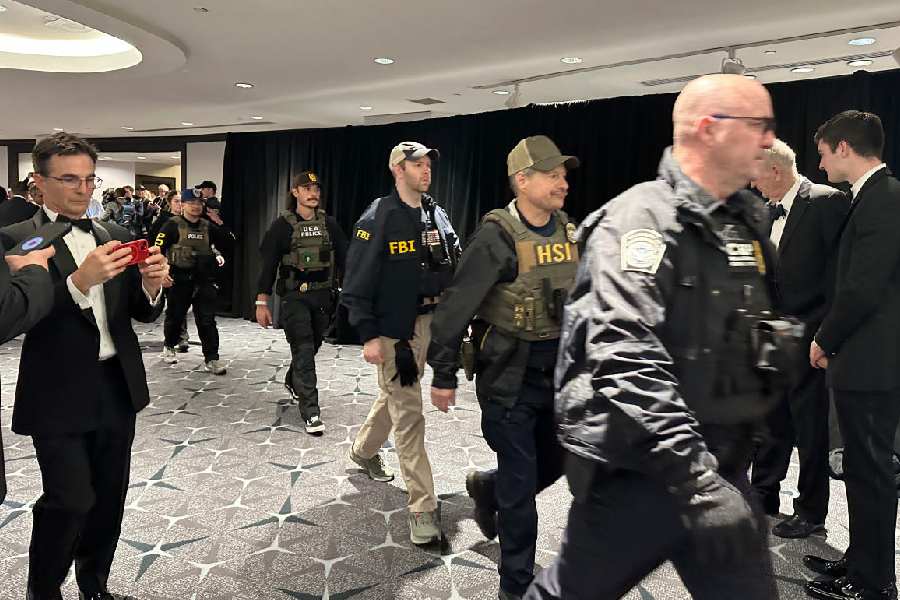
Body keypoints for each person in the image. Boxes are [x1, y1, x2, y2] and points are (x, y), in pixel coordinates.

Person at [525, 74, 783, 600]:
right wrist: (696, 480)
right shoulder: (640, 220)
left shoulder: (741, 222)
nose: (769, 141)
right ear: (709, 130)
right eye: (760, 125)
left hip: (721, 462)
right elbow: (624, 352)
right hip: (643, 469)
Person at [0, 132, 168, 600]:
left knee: (108, 499)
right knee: (70, 500)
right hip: (56, 391)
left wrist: (153, 286)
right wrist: (77, 282)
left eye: (90, 179)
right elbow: (13, 316)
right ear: (39, 181)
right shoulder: (18, 239)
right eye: (69, 179)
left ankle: (94, 586)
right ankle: (44, 591)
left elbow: (138, 309)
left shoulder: (112, 235)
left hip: (116, 385)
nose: (83, 189)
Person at [427, 135, 578, 599]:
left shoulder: (566, 229)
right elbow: (455, 307)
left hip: (557, 375)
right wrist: (445, 373)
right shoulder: (496, 235)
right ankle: (515, 586)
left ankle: (487, 490)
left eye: (564, 175)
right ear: (522, 180)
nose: (563, 184)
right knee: (520, 485)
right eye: (553, 175)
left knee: (558, 461)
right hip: (509, 376)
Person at [341, 141, 460, 545]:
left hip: (432, 323)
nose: (426, 170)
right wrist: (369, 335)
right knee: (409, 414)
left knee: (394, 396)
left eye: (428, 164)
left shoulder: (436, 213)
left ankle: (362, 450)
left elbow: (451, 262)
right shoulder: (378, 217)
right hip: (397, 334)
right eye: (417, 164)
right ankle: (422, 508)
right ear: (398, 169)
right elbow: (355, 285)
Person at [804, 110, 900, 600]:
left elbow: (863, 288)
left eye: (822, 153)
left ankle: (875, 581)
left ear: (844, 148)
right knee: (862, 471)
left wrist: (825, 339)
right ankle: (859, 561)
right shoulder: (873, 198)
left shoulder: (883, 198)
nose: (819, 165)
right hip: (864, 361)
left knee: (873, 473)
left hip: (872, 363)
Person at [746, 139, 847, 538]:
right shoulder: (762, 211)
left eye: (755, 176)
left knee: (810, 427)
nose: (751, 185)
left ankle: (810, 510)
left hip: (811, 335)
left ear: (774, 170)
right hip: (770, 333)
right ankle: (764, 493)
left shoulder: (825, 201)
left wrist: (826, 333)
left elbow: (841, 274)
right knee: (771, 420)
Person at [255, 171, 349, 434]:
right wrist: (261, 302)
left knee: (313, 345)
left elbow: (346, 258)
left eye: (316, 188)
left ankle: (292, 380)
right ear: (295, 192)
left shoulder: (329, 224)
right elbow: (268, 265)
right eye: (306, 188)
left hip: (322, 296)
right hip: (294, 297)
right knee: (304, 349)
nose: (313, 193)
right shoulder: (282, 226)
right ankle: (311, 412)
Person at [154, 189, 233, 374]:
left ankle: (212, 358)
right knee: (175, 316)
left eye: (199, 203)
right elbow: (157, 249)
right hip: (179, 279)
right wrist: (162, 272)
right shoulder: (172, 225)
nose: (196, 206)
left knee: (207, 320)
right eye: (191, 203)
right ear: (183, 205)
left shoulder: (208, 226)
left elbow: (230, 242)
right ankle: (169, 345)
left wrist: (220, 223)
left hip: (203, 280)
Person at [0, 240, 56, 504]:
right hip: (51, 395)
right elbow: (5, 312)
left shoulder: (114, 233)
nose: (83, 194)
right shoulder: (13, 236)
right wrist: (34, 271)